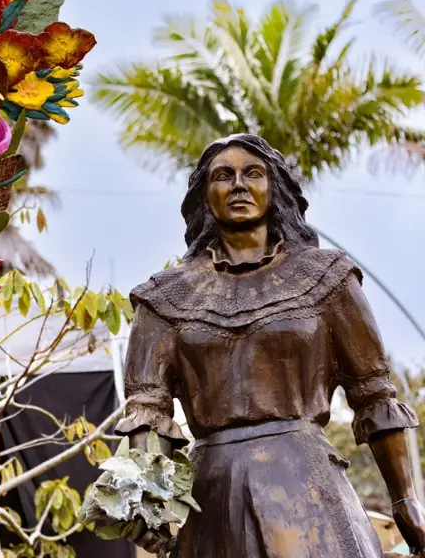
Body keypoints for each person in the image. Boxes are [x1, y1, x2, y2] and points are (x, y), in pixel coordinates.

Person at [118, 134, 425, 557]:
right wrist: (144, 498)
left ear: (274, 188)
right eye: (223, 176)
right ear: (205, 196)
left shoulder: (327, 278)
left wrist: (406, 500)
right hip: (214, 494)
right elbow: (147, 413)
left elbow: (373, 395)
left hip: (307, 482)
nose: (239, 185)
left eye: (253, 174)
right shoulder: (164, 298)